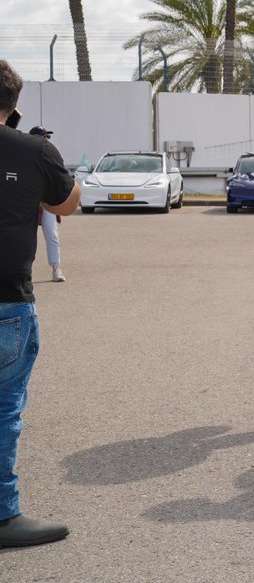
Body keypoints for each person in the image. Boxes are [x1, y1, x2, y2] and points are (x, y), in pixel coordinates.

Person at [0, 60, 81, 548]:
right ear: (13, 101)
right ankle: (3, 516)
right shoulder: (33, 149)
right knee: (4, 408)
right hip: (6, 302)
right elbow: (65, 203)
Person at [29, 129, 64, 283]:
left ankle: (56, 268)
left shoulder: (50, 155)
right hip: (29, 202)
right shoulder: (26, 156)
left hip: (47, 201)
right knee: (26, 237)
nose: (47, 139)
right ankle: (24, 271)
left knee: (52, 235)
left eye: (47, 137)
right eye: (44, 136)